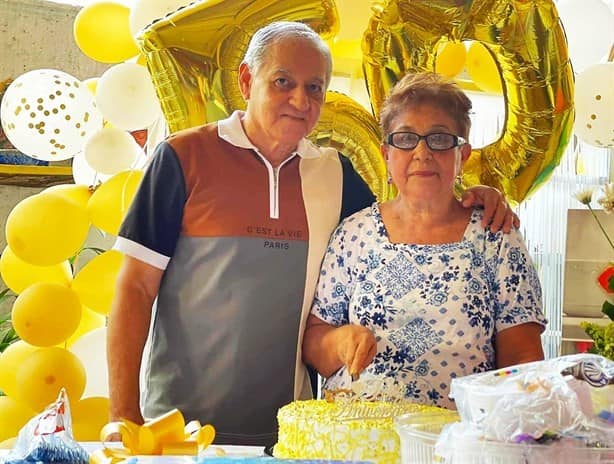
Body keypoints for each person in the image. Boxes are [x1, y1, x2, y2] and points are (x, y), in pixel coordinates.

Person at [107, 23, 518, 446]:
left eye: (315, 87)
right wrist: (123, 416)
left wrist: (475, 196)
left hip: (292, 433)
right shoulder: (182, 156)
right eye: (282, 81)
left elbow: (409, 209)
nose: (300, 100)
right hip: (177, 429)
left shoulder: (336, 175)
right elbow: (134, 289)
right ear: (247, 80)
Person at [302, 72, 546, 410]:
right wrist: (339, 342)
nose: (422, 152)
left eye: (440, 139)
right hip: (357, 442)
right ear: (387, 154)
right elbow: (315, 341)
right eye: (405, 138)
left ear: (463, 154)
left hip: (457, 444)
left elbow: (523, 361)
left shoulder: (497, 237)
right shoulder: (353, 234)